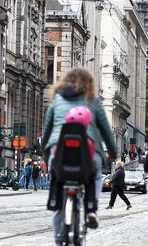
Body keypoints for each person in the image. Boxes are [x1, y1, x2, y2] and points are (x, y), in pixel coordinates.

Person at [42, 68, 118, 242]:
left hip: (58, 151)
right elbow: (106, 131)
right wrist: (112, 155)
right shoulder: (93, 100)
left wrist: (48, 157)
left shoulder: (57, 100)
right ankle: (91, 209)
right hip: (89, 152)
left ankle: (58, 239)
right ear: (89, 84)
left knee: (59, 194)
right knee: (96, 175)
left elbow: (46, 133)